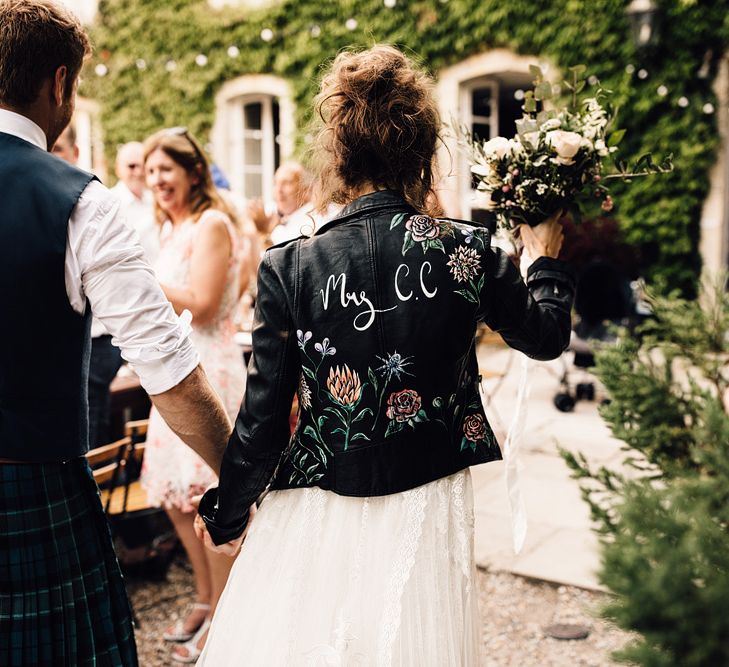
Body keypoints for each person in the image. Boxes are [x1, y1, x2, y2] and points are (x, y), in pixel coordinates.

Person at [195, 45, 575, 665]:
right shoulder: (471, 250)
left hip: (318, 501)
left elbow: (262, 425)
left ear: (338, 156)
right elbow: (545, 335)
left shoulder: (288, 266)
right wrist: (549, 259)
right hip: (427, 502)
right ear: (423, 151)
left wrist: (225, 513)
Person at [0, 2, 233, 666]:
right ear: (59, 83)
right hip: (33, 490)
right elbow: (174, 378)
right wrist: (238, 478)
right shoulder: (83, 203)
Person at [139, 127, 247, 663]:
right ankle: (206, 598)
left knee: (211, 500)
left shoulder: (212, 223)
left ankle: (226, 613)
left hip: (211, 370)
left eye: (167, 170)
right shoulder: (168, 229)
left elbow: (202, 306)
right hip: (171, 375)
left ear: (193, 172)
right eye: (151, 171)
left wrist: (136, 280)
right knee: (179, 504)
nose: (157, 181)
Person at [50, 115, 125, 448]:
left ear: (76, 152)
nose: (49, 156)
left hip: (99, 340)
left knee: (92, 431)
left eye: (58, 149)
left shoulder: (91, 204)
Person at [247, 160, 333, 247]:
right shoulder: (277, 212)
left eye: (286, 183)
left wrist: (266, 230)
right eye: (275, 183)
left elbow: (284, 255)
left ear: (305, 190)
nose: (278, 190)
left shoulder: (312, 220)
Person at [111, 141, 159, 263]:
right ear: (118, 169)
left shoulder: (156, 199)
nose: (139, 172)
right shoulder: (109, 202)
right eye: (132, 166)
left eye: (144, 166)